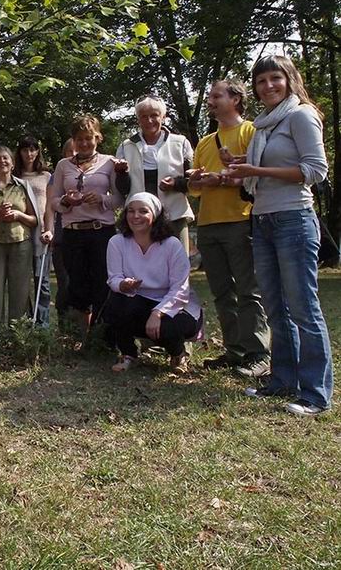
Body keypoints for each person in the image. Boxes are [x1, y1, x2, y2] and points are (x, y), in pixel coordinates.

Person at [228, 55, 333, 416]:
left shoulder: (301, 115)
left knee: (304, 308)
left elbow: (315, 170)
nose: (268, 86)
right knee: (276, 307)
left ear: (289, 79)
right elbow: (264, 171)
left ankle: (316, 395)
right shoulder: (263, 126)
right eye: (261, 81)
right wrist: (241, 165)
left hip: (294, 219)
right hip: (263, 219)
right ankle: (283, 380)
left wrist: (256, 168)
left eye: (275, 78)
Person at [188, 80, 270, 377]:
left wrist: (221, 179)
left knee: (248, 290)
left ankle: (259, 354)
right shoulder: (206, 141)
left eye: (215, 96)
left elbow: (256, 177)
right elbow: (195, 189)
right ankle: (235, 352)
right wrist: (196, 179)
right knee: (222, 293)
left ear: (235, 99)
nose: (210, 101)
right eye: (209, 96)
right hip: (208, 224)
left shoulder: (251, 132)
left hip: (240, 220)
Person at [104, 193, 203, 373]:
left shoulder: (171, 244)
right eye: (131, 211)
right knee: (115, 302)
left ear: (155, 215)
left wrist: (158, 313)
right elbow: (113, 278)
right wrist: (123, 284)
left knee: (169, 328)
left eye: (143, 211)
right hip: (138, 300)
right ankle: (128, 354)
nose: (136, 216)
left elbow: (181, 289)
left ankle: (178, 354)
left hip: (176, 305)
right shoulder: (117, 242)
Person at [49, 115, 122, 335]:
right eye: (79, 139)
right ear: (73, 140)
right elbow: (53, 201)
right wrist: (66, 201)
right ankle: (81, 337)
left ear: (97, 138)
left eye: (88, 138)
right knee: (77, 286)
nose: (84, 143)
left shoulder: (109, 162)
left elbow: (119, 199)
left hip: (101, 231)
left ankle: (102, 337)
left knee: (102, 283)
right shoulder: (63, 165)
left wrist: (101, 199)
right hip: (73, 233)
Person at [115, 96, 195, 252]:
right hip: (139, 220)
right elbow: (123, 190)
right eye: (144, 116)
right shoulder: (127, 146)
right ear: (138, 119)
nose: (149, 120)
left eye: (154, 115)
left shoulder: (180, 143)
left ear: (163, 117)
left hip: (174, 216)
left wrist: (175, 184)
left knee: (178, 266)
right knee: (141, 267)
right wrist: (121, 173)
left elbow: (192, 183)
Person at [0, 146, 41, 322]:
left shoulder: (22, 186)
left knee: (20, 290)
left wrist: (18, 215)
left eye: (6, 158)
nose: (2, 161)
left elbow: (34, 220)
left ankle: (17, 335)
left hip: (21, 244)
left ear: (12, 163)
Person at [14, 135, 53, 326]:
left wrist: (49, 228)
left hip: (41, 233)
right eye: (25, 150)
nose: (29, 154)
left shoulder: (46, 176)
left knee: (42, 281)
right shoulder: (15, 176)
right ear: (19, 152)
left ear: (37, 152)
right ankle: (24, 321)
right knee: (21, 281)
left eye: (32, 149)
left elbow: (50, 207)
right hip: (20, 231)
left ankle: (42, 325)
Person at [49, 138, 75, 328]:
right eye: (70, 152)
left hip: (88, 236)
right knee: (65, 284)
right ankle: (65, 327)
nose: (74, 155)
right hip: (62, 238)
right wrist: (48, 230)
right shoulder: (57, 175)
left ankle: (87, 331)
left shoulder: (94, 173)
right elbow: (50, 207)